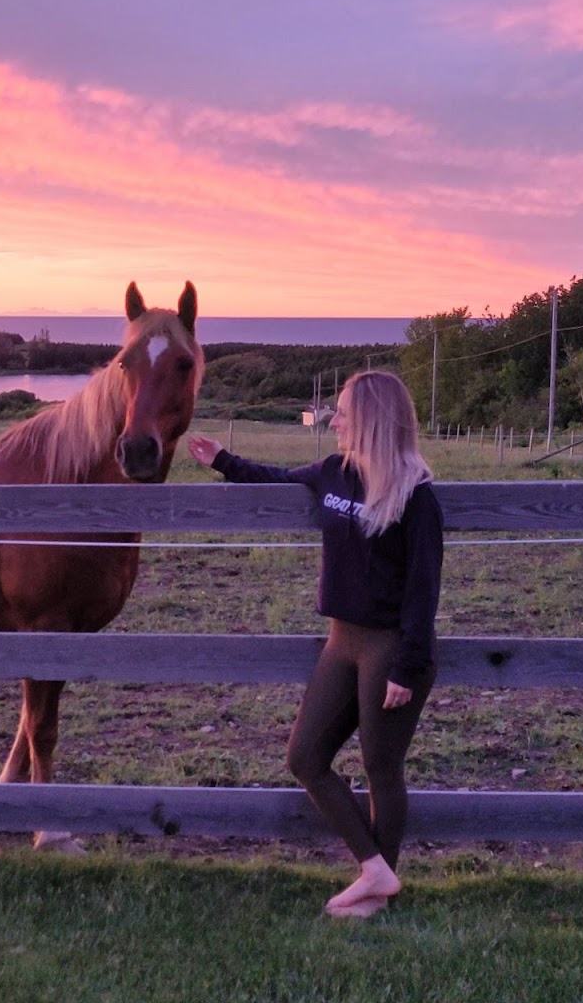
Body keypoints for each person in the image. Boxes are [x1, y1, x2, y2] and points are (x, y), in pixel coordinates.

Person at [187, 370, 442, 920]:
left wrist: (407, 665)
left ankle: (377, 894)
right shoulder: (333, 472)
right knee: (304, 756)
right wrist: (224, 461)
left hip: (390, 649)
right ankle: (376, 869)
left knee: (381, 766)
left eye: (345, 410)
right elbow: (276, 477)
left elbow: (424, 590)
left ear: (371, 418)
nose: (335, 419)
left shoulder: (415, 495)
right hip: (341, 642)